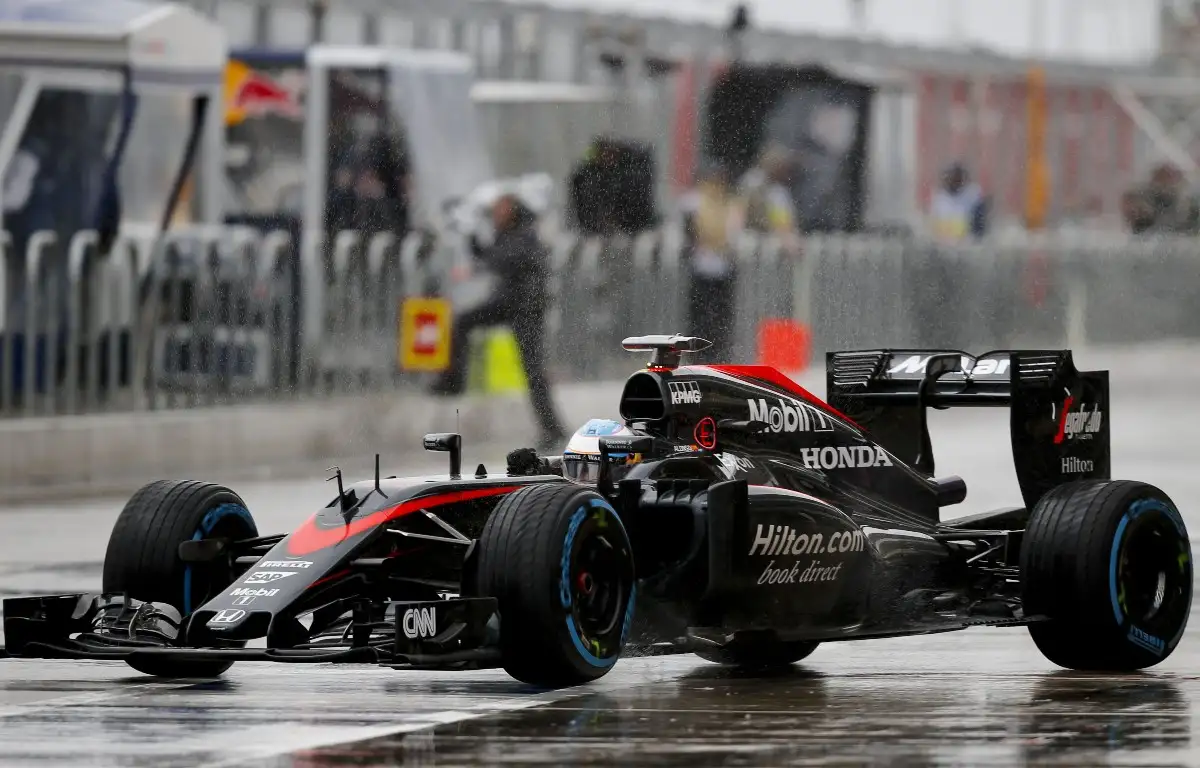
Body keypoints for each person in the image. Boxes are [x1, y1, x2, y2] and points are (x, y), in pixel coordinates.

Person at [430, 193, 567, 450]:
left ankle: (552, 428)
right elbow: (489, 255)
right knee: (463, 322)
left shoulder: (526, 233)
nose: (495, 216)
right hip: (508, 302)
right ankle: (452, 380)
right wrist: (470, 235)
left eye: (500, 211)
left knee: (533, 371)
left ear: (512, 211)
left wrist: (479, 247)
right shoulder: (509, 233)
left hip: (526, 307)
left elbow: (503, 258)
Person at [679, 165, 744, 362]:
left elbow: (733, 233)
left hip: (722, 268)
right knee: (702, 315)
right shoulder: (695, 202)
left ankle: (718, 352)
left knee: (720, 315)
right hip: (701, 267)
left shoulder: (729, 204)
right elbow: (689, 230)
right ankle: (699, 353)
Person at [930, 162, 988, 242]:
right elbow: (934, 227)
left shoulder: (972, 196)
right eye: (951, 177)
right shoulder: (940, 199)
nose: (953, 180)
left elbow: (979, 228)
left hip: (966, 245)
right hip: (942, 245)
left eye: (956, 177)